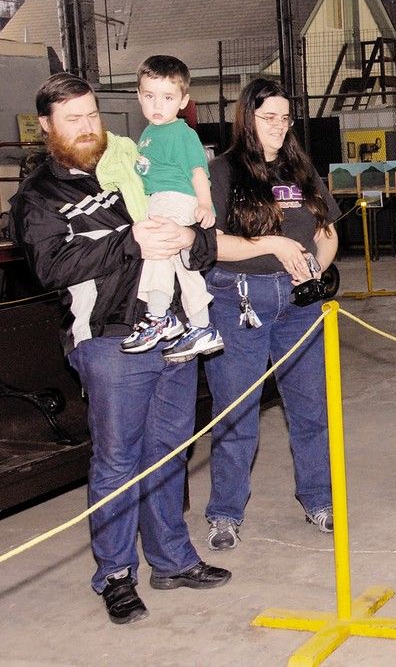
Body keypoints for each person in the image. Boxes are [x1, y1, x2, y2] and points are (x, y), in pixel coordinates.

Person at [10, 73, 231, 626]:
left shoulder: (136, 162)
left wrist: (191, 238)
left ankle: (172, 560)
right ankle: (115, 573)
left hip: (173, 331)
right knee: (117, 460)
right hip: (109, 341)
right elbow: (50, 267)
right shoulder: (39, 197)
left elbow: (199, 236)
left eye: (92, 115)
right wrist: (128, 239)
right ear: (46, 127)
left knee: (170, 452)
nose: (88, 127)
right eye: (73, 119)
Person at [202, 78, 340, 551]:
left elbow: (325, 231)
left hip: (300, 305)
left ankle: (320, 499)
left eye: (285, 118)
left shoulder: (300, 169)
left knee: (311, 409)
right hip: (239, 300)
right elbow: (210, 244)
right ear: (247, 118)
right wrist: (274, 244)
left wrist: (315, 267)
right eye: (268, 118)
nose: (279, 127)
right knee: (236, 413)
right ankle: (225, 513)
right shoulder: (222, 171)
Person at [119, 55, 223, 361]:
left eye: (167, 98)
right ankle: (202, 326)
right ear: (139, 96)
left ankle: (158, 315)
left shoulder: (182, 133)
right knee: (184, 268)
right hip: (159, 199)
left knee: (157, 251)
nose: (157, 105)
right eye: (150, 96)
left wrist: (205, 204)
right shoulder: (149, 134)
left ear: (183, 101)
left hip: (175, 199)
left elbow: (198, 172)